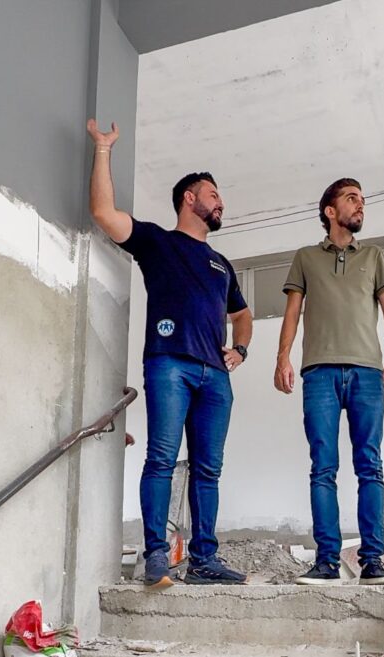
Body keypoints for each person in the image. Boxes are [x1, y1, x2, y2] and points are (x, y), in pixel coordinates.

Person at [86, 119, 253, 589]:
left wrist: (239, 349)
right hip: (169, 364)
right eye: (213, 194)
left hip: (214, 377)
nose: (221, 202)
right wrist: (103, 149)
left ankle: (204, 560)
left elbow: (243, 316)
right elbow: (103, 212)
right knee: (161, 457)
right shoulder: (157, 241)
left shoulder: (222, 265)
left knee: (208, 469)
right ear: (190, 199)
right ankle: (156, 555)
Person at [274, 178, 384, 586]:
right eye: (351, 200)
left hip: (367, 371)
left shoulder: (375, 255)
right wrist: (283, 357)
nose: (360, 206)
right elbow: (293, 312)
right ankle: (327, 561)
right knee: (322, 467)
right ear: (330, 211)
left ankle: (372, 562)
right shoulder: (306, 258)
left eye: (362, 200)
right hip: (319, 373)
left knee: (371, 466)